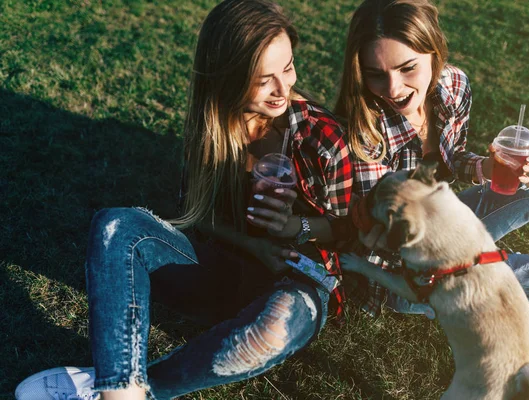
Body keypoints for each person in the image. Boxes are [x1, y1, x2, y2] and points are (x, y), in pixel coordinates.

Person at [15, 1, 353, 399]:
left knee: (276, 325)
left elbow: (350, 230)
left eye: (288, 67)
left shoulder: (320, 136)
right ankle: (119, 391)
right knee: (117, 228)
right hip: (224, 274)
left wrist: (296, 228)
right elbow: (195, 214)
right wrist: (256, 245)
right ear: (227, 77)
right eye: (264, 79)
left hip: (295, 285)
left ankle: (120, 383)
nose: (283, 88)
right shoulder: (213, 125)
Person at [335, 0, 529, 349]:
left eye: (407, 68)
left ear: (434, 52)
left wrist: (486, 168)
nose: (394, 88)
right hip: (404, 267)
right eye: (375, 74)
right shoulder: (363, 130)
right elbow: (384, 237)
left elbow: (452, 158)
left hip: (444, 219)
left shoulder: (453, 86)